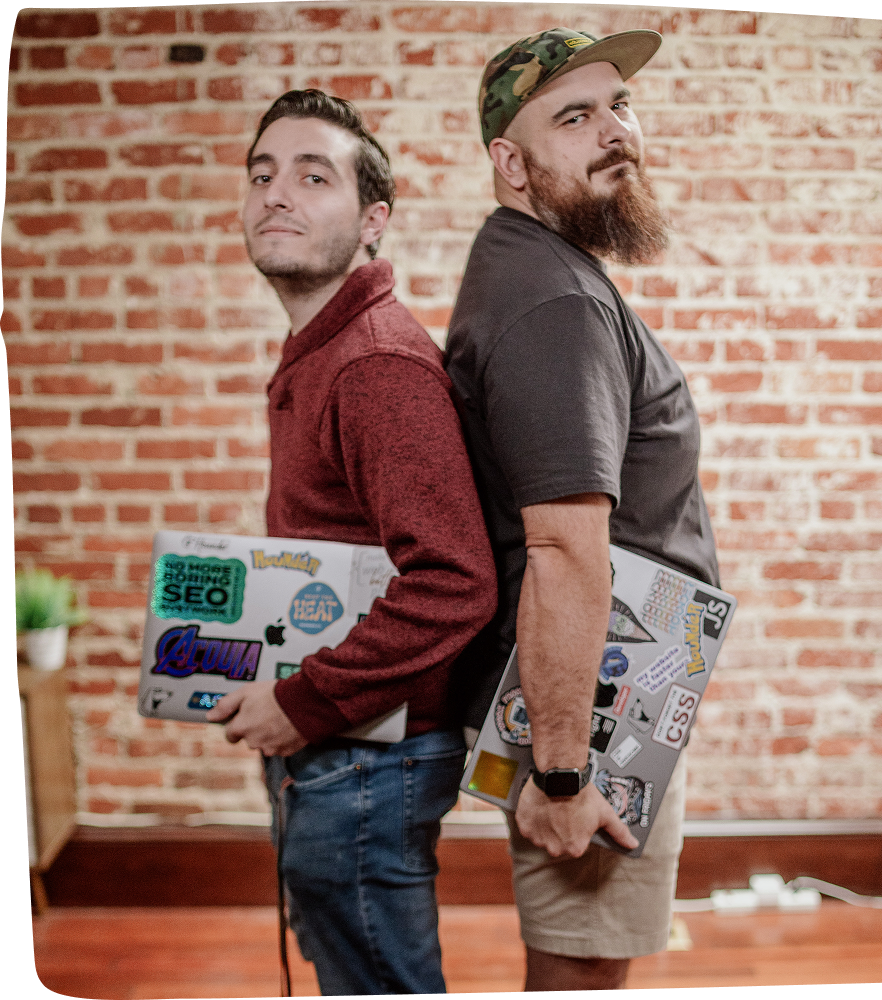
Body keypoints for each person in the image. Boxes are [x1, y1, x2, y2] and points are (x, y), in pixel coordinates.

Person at [445, 28, 721, 991]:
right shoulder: (553, 304)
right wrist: (563, 773)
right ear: (511, 164)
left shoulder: (544, 273)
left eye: (620, 106)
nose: (614, 131)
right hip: (593, 723)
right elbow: (563, 550)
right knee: (584, 970)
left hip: (616, 697)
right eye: (574, 116)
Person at [206, 90, 497, 996]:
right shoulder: (321, 348)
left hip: (368, 759)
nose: (275, 194)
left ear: (374, 222)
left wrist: (304, 702)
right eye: (261, 174)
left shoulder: (373, 363)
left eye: (312, 176)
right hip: (342, 750)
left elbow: (455, 581)